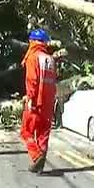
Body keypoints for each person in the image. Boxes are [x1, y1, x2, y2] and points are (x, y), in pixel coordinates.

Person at [20, 28, 58, 174]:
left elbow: (32, 80)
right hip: (48, 102)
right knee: (43, 133)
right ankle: (40, 166)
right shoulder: (50, 59)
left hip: (36, 101)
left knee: (26, 131)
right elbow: (52, 81)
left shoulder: (33, 57)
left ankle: (37, 156)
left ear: (33, 41)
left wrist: (30, 97)